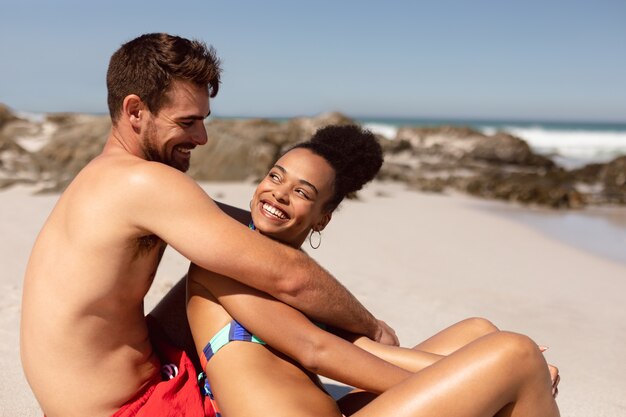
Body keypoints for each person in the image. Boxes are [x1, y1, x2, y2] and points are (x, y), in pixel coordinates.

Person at [20, 33, 397, 417]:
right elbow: (289, 277)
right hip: (131, 408)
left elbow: (236, 228)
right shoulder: (142, 182)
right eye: (188, 121)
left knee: (242, 252)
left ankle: (348, 361)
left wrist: (282, 216)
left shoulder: (111, 177)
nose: (202, 137)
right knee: (257, 266)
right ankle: (378, 363)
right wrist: (371, 326)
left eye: (203, 120)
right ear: (135, 111)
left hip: (143, 372)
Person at [187, 124, 561, 417]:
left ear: (322, 220)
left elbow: (359, 350)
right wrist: (471, 381)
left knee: (478, 332)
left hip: (334, 411)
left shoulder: (294, 282)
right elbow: (316, 350)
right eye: (275, 176)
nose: (279, 194)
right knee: (517, 355)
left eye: (302, 192)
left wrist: (466, 374)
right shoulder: (223, 259)